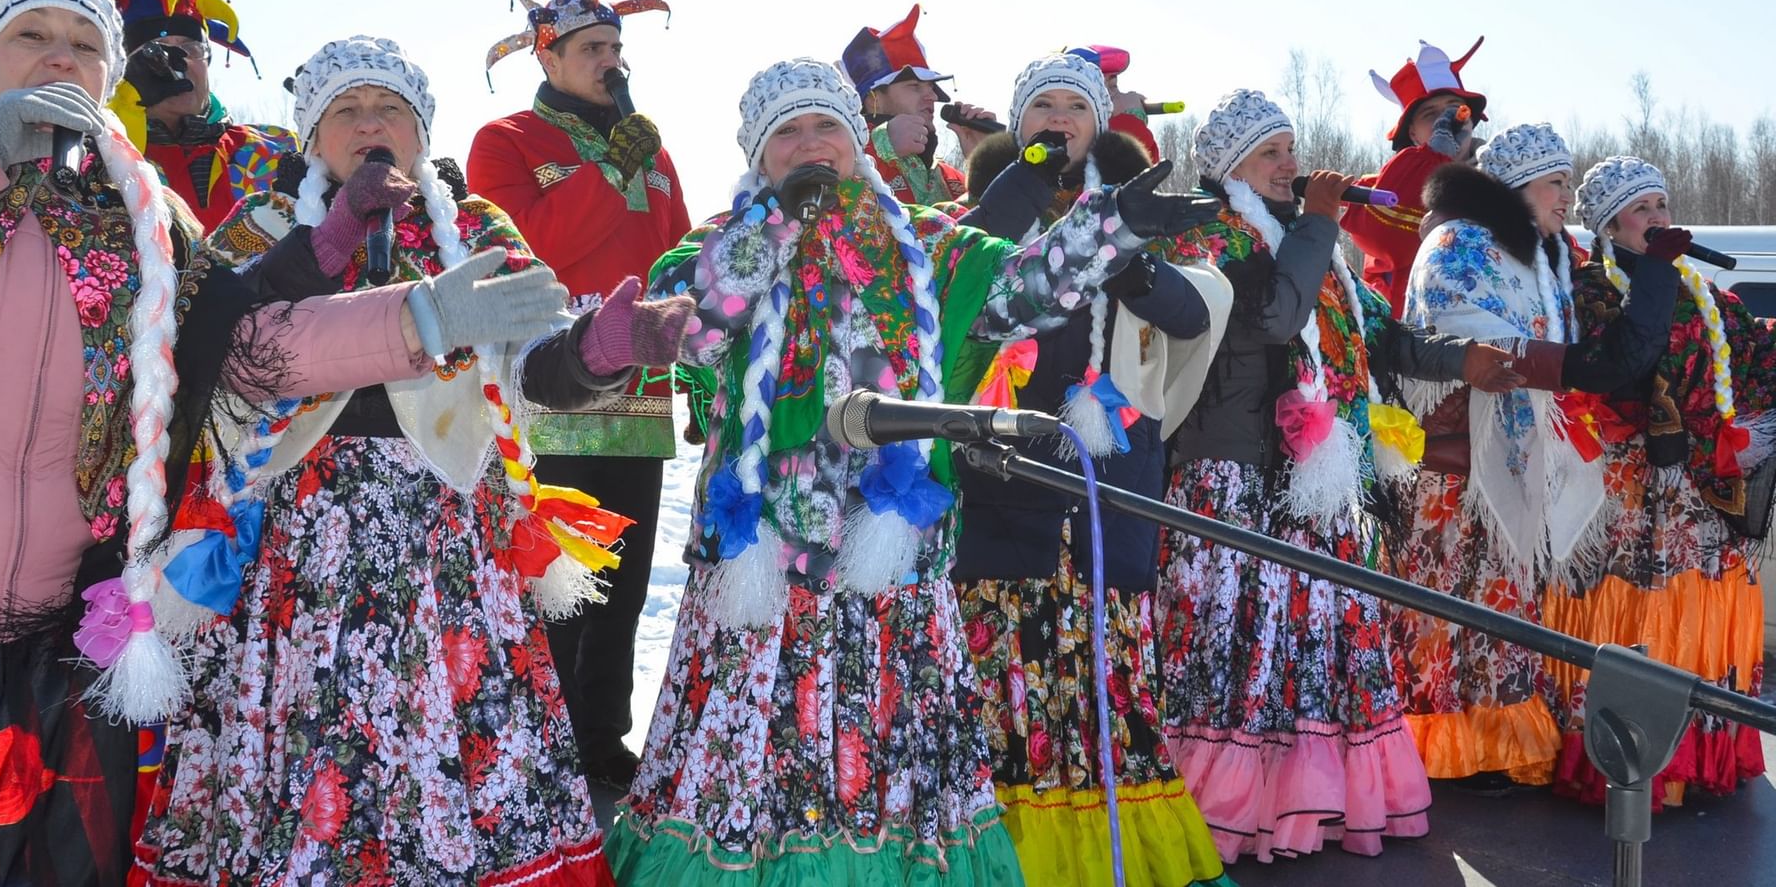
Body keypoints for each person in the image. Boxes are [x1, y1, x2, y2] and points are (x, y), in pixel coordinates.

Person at [0, 0, 568, 885]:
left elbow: (245, 351)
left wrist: (423, 321)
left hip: (65, 642)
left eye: (87, 45)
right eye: (31, 35)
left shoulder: (146, 222)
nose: (62, 57)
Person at [605, 57, 1220, 883]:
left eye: (827, 125)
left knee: (891, 768)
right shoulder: (721, 241)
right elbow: (692, 327)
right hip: (766, 578)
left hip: (889, 566)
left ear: (858, 142)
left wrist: (1114, 226)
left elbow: (1020, 288)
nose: (811, 144)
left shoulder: (920, 240)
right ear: (759, 154)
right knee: (752, 772)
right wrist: (777, 225)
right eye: (787, 132)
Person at [133, 36, 690, 885]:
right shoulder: (261, 222)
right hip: (297, 540)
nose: (369, 124)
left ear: (421, 130)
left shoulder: (471, 230)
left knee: (463, 738)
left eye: (388, 108)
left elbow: (530, 363)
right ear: (310, 134)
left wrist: (596, 352)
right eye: (346, 111)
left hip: (449, 537)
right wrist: (328, 246)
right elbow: (221, 359)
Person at [1152, 88, 1519, 865]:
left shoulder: (1317, 249)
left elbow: (1384, 340)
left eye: (1291, 148)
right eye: (1271, 153)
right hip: (1238, 482)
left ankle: (1305, 802)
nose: (1292, 164)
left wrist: (1467, 363)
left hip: (1319, 483)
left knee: (1317, 646)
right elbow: (1277, 318)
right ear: (1231, 169)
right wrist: (1320, 219)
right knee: (1245, 652)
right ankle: (1232, 804)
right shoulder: (1214, 236)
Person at [953, 53, 1234, 887]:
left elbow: (1190, 310)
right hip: (1004, 482)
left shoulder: (1137, 212)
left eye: (1078, 104)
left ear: (1100, 124)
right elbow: (954, 292)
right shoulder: (980, 218)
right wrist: (1036, 221)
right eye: (1044, 104)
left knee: (1105, 688)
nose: (1061, 117)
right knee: (1008, 682)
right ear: (1018, 124)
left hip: (1108, 489)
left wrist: (1115, 245)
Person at [1390, 124, 1677, 787]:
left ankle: (1501, 741)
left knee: (1506, 610)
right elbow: (1470, 341)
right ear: (1521, 187)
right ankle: (1451, 745)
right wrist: (1566, 364)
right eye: (1558, 183)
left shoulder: (1542, 257)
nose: (1567, 197)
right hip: (1458, 469)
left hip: (1517, 462)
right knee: (1453, 610)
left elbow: (1557, 345)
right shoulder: (1458, 245)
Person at [468, 0, 688, 789]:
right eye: (593, 48)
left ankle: (601, 739)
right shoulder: (508, 140)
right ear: (549, 55)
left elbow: (675, 261)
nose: (611, 61)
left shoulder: (652, 147)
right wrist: (607, 173)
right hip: (550, 381)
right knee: (555, 576)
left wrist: (691, 371)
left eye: (616, 48)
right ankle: (539, 739)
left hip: (637, 389)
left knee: (623, 585)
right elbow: (525, 249)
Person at [1542, 156, 1775, 805]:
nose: (1658, 218)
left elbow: (1754, 350)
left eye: (1663, 205)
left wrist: (1745, 430)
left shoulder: (1706, 294)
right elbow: (1624, 366)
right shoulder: (1591, 289)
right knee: (1646, 623)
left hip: (1701, 502)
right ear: (1612, 224)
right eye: (1642, 209)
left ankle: (1699, 760)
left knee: (1702, 618)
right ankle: (1635, 763)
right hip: (1631, 499)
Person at [107, 0, 297, 231]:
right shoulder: (96, 156)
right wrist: (124, 111)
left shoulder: (275, 150)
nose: (179, 61)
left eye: (192, 48)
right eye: (156, 50)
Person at [1341, 38, 1486, 315]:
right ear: (1413, 133)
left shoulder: (1506, 179)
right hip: (1423, 345)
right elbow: (1387, 240)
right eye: (1430, 114)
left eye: (1455, 109)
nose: (1446, 121)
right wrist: (1433, 159)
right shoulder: (1383, 190)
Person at [839, 3, 997, 205]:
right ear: (873, 98)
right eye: (914, 86)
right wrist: (881, 144)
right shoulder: (845, 157)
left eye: (931, 87)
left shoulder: (952, 180)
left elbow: (989, 230)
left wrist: (985, 165)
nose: (931, 96)